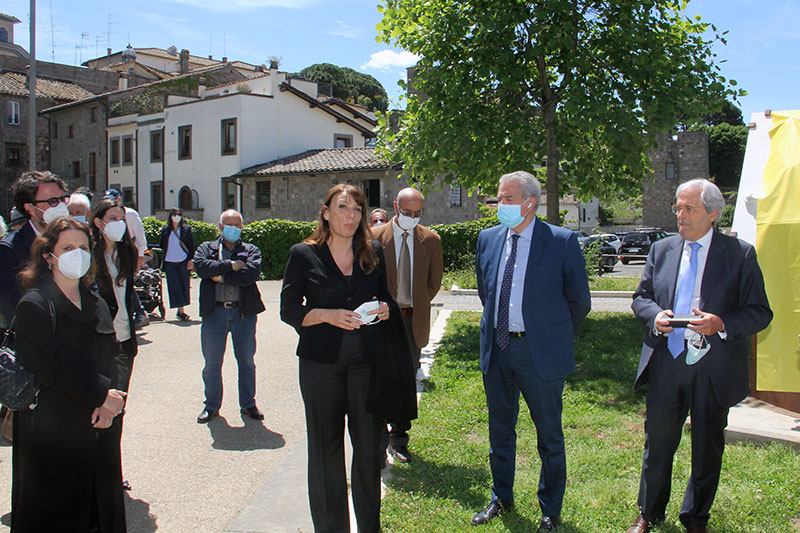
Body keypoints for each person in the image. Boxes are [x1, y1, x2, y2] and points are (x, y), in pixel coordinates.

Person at [625, 179, 772, 533]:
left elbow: (759, 312)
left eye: (689, 208)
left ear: (713, 213)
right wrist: (655, 317)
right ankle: (649, 514)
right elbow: (641, 297)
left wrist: (721, 323)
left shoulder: (740, 254)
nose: (681, 215)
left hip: (713, 366)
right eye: (678, 207)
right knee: (658, 443)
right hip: (667, 360)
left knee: (707, 446)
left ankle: (695, 517)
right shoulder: (661, 250)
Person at [280, 184, 415, 533]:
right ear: (326, 212)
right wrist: (327, 315)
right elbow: (289, 309)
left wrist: (385, 308)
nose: (351, 216)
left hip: (366, 364)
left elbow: (384, 295)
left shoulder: (372, 250)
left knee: (368, 451)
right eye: (343, 207)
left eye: (357, 209)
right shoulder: (303, 254)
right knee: (325, 450)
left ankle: (369, 527)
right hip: (320, 365)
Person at [472, 171, 591, 530]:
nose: (500, 205)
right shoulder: (488, 239)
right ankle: (501, 497)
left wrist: (547, 333)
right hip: (498, 349)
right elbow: (486, 292)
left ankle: (550, 510)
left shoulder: (560, 241)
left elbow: (579, 302)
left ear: (529, 203)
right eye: (499, 198)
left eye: (507, 199)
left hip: (539, 354)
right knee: (500, 430)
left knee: (549, 436)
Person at [11, 217, 128, 531]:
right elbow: (49, 368)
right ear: (48, 255)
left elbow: (117, 353)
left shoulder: (96, 300)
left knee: (100, 511)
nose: (78, 254)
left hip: (100, 425)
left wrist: (113, 401)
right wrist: (102, 395)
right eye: (67, 248)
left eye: (83, 247)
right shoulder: (35, 304)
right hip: (53, 432)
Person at [371, 187, 443, 464]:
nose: (412, 218)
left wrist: (416, 303)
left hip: (412, 320)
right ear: (395, 207)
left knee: (405, 381)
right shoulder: (374, 237)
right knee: (379, 380)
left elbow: (434, 282)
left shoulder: (431, 240)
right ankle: (378, 442)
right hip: (381, 320)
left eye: (417, 213)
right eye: (407, 212)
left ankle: (399, 439)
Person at [193, 209, 265, 423]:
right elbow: (201, 267)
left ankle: (248, 404)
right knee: (212, 363)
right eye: (228, 225)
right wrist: (230, 266)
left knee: (246, 361)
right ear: (220, 226)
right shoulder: (206, 248)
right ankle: (211, 405)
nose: (233, 229)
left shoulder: (251, 250)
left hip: (243, 314)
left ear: (242, 227)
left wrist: (222, 277)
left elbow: (251, 274)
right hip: (214, 313)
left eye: (237, 225)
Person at [0, 171, 69, 326]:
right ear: (30, 208)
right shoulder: (9, 250)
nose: (61, 206)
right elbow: (15, 309)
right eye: (52, 201)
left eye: (63, 199)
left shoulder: (76, 240)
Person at [159, 208, 196, 321]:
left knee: (184, 284)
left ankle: (181, 311)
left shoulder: (186, 230)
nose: (176, 217)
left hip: (183, 261)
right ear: (170, 217)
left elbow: (191, 245)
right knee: (174, 286)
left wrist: (191, 260)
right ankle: (180, 311)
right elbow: (161, 244)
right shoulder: (166, 230)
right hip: (170, 262)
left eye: (178, 214)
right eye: (174, 214)